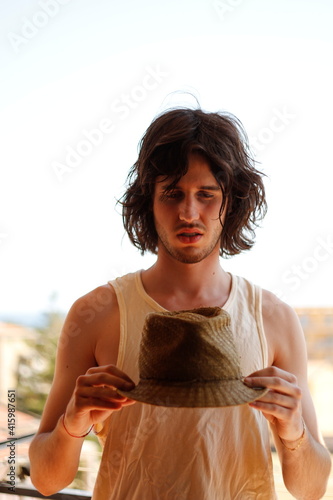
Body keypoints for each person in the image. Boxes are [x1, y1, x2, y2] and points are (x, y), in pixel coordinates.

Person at [29, 107, 331, 499]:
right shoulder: (97, 313)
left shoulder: (273, 318)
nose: (189, 213)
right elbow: (45, 480)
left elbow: (310, 489)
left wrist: (295, 434)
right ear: (148, 203)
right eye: (172, 194)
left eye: (206, 195)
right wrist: (73, 423)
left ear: (232, 203)